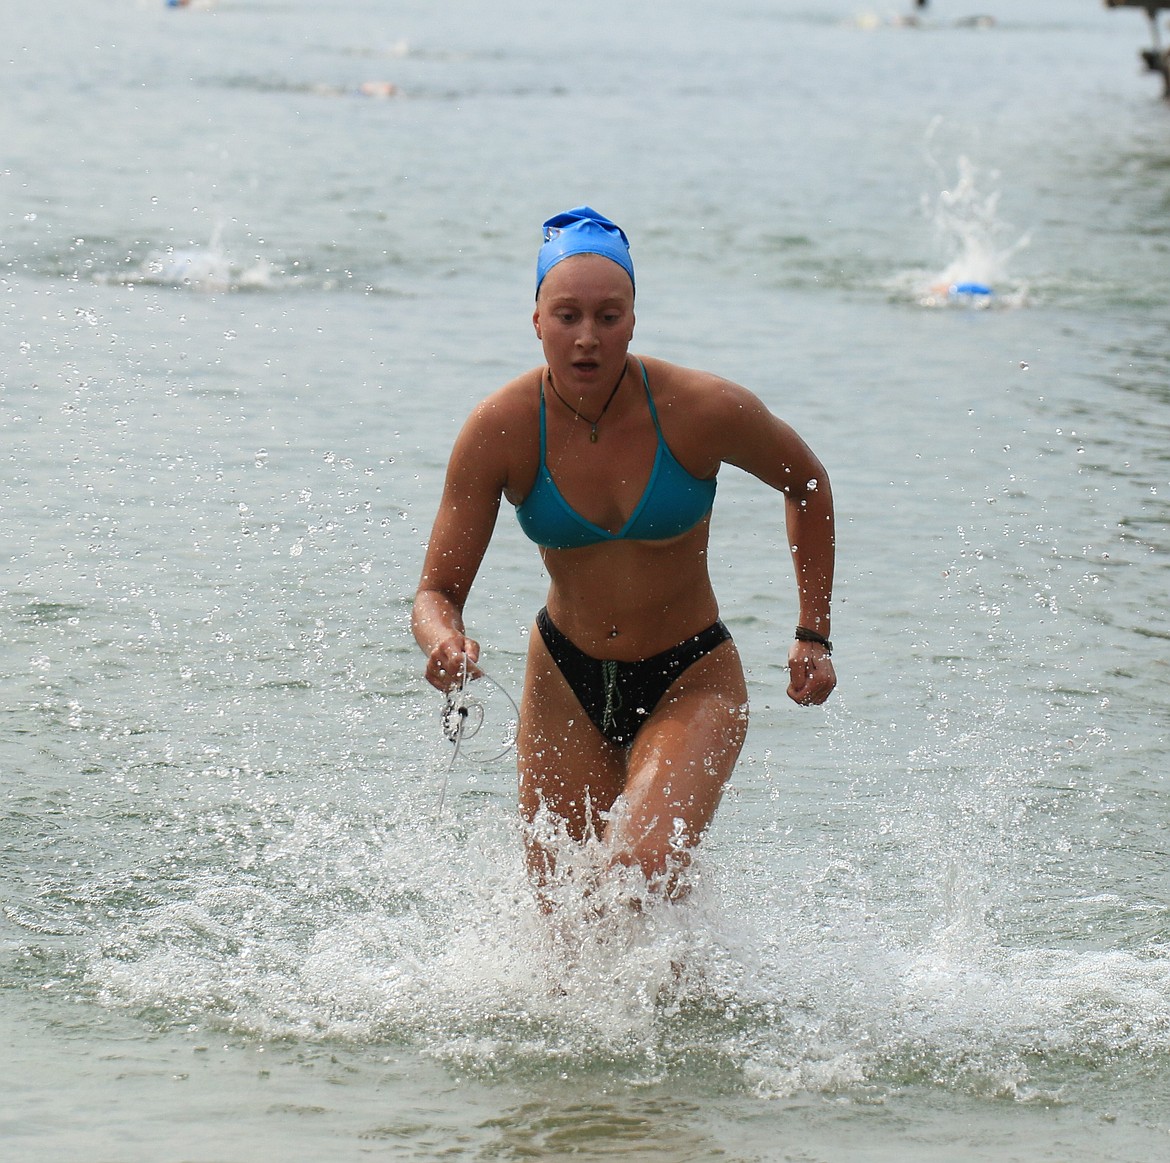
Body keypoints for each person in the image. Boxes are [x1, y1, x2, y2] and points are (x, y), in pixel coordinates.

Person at [412, 207, 836, 900]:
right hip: (563, 681)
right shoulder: (502, 429)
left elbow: (807, 482)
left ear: (634, 320)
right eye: (567, 315)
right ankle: (684, 985)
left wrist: (812, 632)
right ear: (537, 320)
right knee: (564, 923)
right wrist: (444, 641)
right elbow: (436, 592)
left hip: (690, 674)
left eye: (609, 317)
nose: (587, 338)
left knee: (632, 873)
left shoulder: (699, 409)